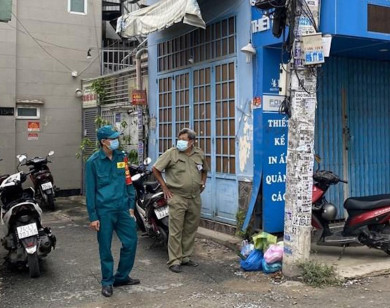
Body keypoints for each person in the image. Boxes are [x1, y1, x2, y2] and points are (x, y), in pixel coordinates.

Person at [85, 125, 140, 297]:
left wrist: (131, 205)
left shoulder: (121, 157)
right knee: (105, 249)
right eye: (113, 138)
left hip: (123, 209)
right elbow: (90, 191)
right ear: (103, 141)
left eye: (117, 138)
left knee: (131, 242)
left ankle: (122, 277)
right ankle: (107, 282)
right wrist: (93, 216)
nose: (116, 141)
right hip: (104, 211)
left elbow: (128, 181)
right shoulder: (93, 162)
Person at [152, 128, 209, 273]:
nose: (180, 142)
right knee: (176, 230)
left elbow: (204, 170)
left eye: (184, 139)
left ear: (192, 141)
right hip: (177, 196)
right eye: (179, 139)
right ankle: (174, 260)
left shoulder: (199, 154)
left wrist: (203, 182)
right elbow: (156, 169)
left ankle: (185, 257)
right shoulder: (171, 153)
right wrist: (164, 187)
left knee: (190, 228)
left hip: (195, 197)